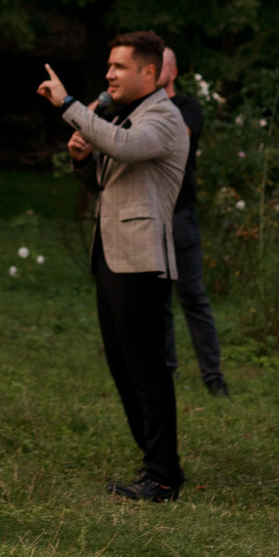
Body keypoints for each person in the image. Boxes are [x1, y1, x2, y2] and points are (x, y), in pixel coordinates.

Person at [41, 32, 190, 501]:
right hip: (111, 255)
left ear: (149, 72)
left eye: (119, 67)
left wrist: (69, 103)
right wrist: (82, 161)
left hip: (142, 261)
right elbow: (108, 177)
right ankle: (154, 463)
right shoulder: (121, 116)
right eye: (108, 66)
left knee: (146, 369)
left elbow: (124, 148)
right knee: (124, 367)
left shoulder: (165, 117)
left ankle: (163, 476)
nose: (108, 75)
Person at [157, 48, 227, 396]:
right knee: (158, 300)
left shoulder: (187, 107)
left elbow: (174, 138)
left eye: (159, 63)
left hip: (180, 214)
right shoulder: (135, 108)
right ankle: (166, 373)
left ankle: (213, 378)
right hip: (147, 214)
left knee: (192, 298)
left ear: (172, 71)